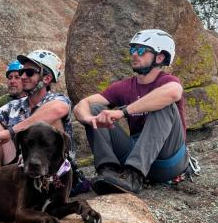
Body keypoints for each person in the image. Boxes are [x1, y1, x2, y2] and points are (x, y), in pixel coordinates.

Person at [73, 29, 188, 194]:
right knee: (95, 109)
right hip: (132, 154)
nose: (134, 54)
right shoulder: (125, 86)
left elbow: (173, 92)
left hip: (168, 162)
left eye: (141, 50)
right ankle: (109, 172)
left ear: (160, 57)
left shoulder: (168, 81)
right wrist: (89, 119)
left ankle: (133, 177)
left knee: (164, 104)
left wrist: (123, 112)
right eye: (132, 49)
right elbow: (82, 104)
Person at [0, 50, 73, 172]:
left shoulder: (57, 99)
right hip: (21, 164)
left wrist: (10, 132)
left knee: (51, 122)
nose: (22, 77)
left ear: (47, 79)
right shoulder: (15, 105)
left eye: (29, 72)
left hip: (52, 168)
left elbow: (58, 109)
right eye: (22, 72)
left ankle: (49, 179)